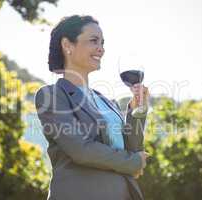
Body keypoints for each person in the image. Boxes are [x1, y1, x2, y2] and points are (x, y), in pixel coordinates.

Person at [35, 15, 150, 200]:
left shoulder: (106, 101)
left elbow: (132, 147)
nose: (101, 49)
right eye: (93, 41)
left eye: (102, 43)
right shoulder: (51, 95)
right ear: (67, 45)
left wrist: (138, 111)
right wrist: (133, 162)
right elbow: (82, 150)